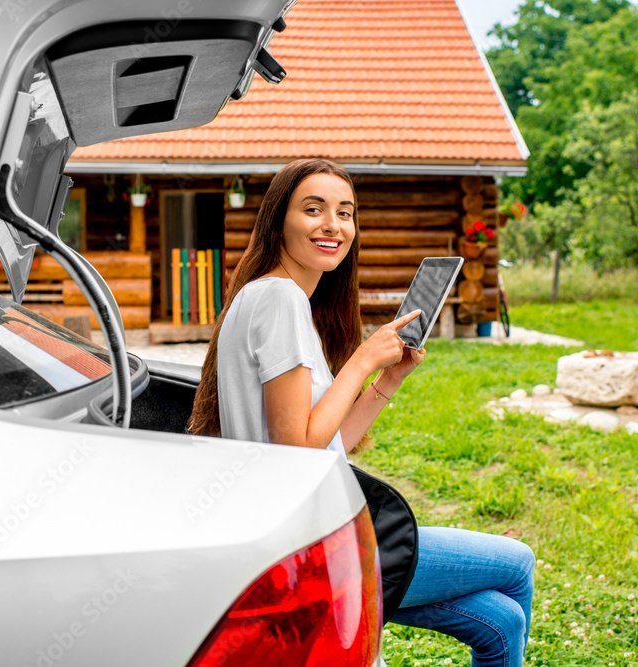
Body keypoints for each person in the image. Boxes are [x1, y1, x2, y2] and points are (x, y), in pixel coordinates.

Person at [189, 158, 535, 667]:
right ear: (278, 219)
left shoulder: (263, 295)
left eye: (345, 213)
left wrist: (386, 379)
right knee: (518, 563)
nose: (333, 225)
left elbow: (328, 444)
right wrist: (362, 358)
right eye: (314, 209)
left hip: (304, 535)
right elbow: (296, 452)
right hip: (313, 549)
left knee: (501, 622)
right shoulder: (281, 299)